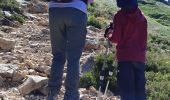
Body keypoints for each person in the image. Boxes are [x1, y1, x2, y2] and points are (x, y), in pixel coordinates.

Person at [47, 0, 94, 100]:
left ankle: (52, 93)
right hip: (77, 10)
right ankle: (71, 95)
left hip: (54, 10)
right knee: (74, 58)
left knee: (58, 55)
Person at [104, 0, 147, 100]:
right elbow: (144, 41)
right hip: (140, 59)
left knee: (127, 92)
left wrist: (109, 34)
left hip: (125, 58)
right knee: (140, 92)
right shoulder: (143, 18)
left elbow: (116, 38)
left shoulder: (119, 16)